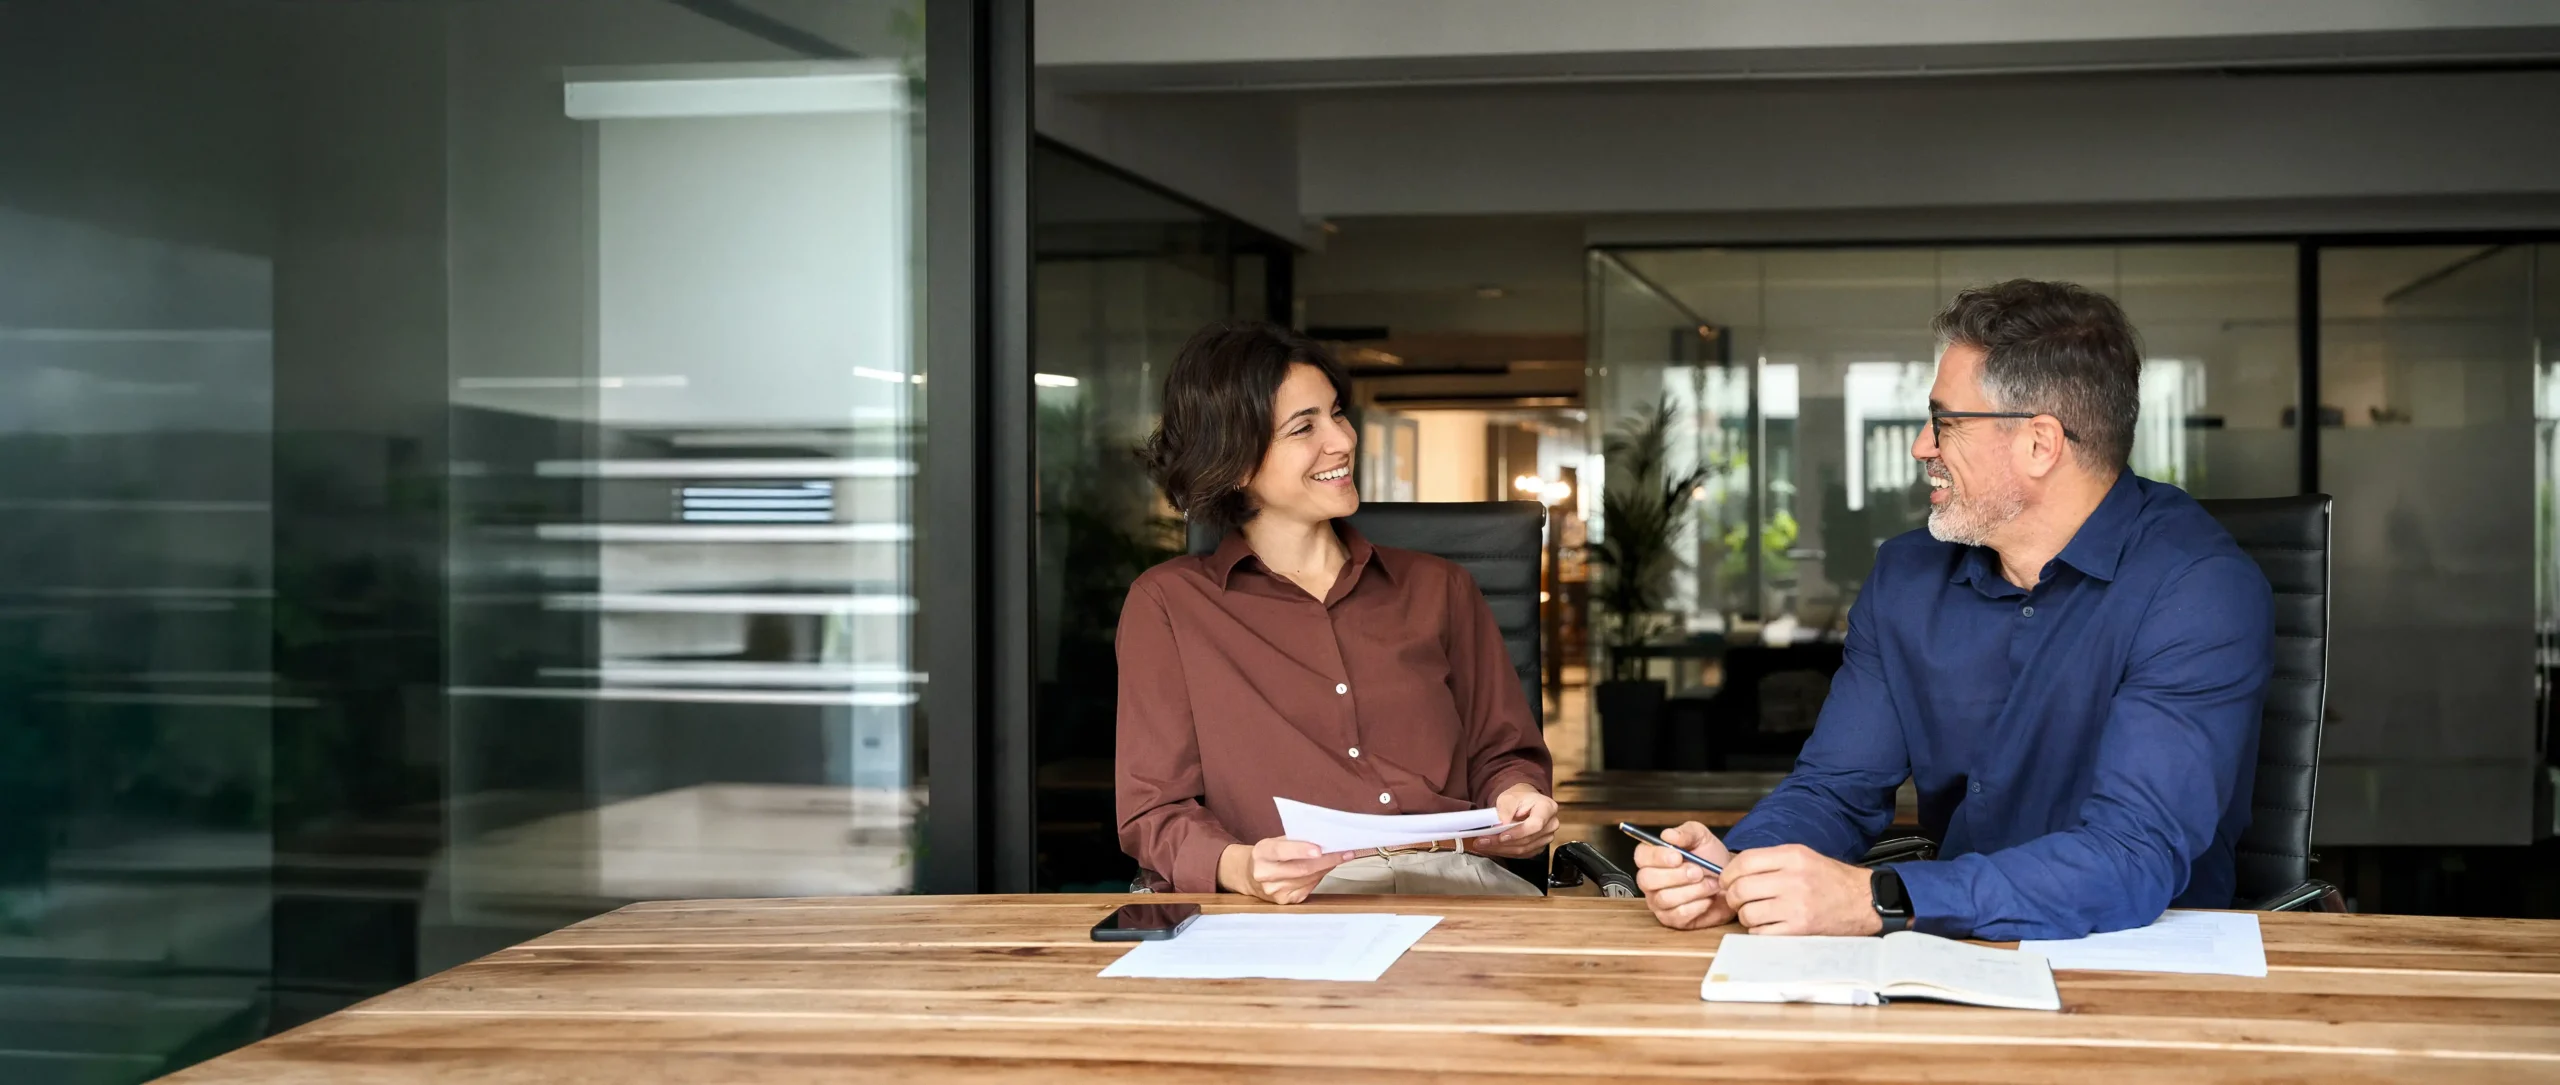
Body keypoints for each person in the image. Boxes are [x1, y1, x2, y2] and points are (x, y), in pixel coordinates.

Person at [1636, 280, 2272, 941]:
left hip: (2137, 961)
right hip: (1949, 950)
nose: (1921, 446)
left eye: (1944, 422)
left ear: (2039, 443)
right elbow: (1835, 789)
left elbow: (2129, 856)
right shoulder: (1907, 577)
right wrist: (1741, 867)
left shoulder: (2199, 589)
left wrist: (1879, 896)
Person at [1115, 320, 1560, 902]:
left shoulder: (1440, 587)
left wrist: (1518, 798)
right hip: (1285, 911)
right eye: (1304, 426)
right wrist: (1241, 866)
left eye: (1337, 413)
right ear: (1236, 460)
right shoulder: (1169, 605)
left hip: (1453, 890)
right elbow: (1155, 810)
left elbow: (1502, 755)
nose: (1343, 440)